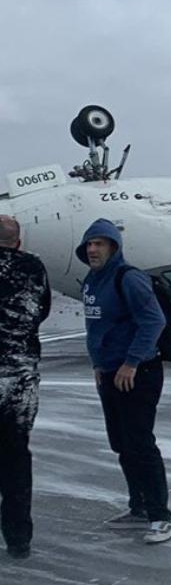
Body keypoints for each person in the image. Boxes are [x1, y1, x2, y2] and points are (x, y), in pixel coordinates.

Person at [76, 219, 171, 544]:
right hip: (108, 372)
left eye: (100, 244)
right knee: (121, 443)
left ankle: (161, 516)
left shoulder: (129, 278)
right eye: (90, 244)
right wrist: (98, 365)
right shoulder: (92, 280)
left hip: (138, 373)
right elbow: (98, 328)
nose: (93, 249)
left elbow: (153, 321)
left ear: (114, 247)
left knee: (140, 443)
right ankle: (139, 507)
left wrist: (131, 362)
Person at [0, 216, 51, 559]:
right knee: (16, 457)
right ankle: (18, 538)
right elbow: (41, 310)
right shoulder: (33, 267)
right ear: (18, 241)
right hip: (19, 376)